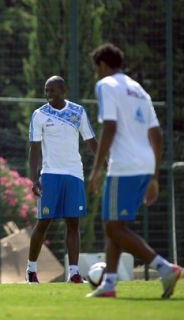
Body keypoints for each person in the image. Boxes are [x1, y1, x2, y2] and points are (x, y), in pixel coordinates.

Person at [87, 43, 182, 298]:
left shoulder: (106, 85)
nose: (96, 74)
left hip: (124, 166)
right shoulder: (139, 90)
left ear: (103, 66)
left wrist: (96, 169)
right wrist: (154, 177)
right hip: (145, 164)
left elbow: (109, 126)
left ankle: (165, 268)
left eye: (96, 69)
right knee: (114, 223)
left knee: (112, 227)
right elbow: (158, 136)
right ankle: (108, 284)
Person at [26, 76, 98, 284]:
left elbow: (91, 142)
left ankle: (73, 273)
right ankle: (31, 270)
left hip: (74, 174)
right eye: (46, 90)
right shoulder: (39, 115)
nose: (48, 94)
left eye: (52, 90)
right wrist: (34, 178)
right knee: (44, 222)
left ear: (63, 90)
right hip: (50, 175)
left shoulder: (78, 112)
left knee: (73, 223)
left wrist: (105, 165)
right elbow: (34, 149)